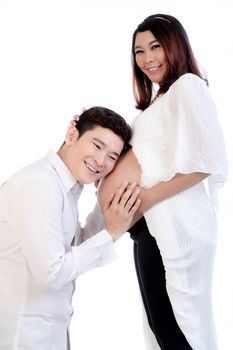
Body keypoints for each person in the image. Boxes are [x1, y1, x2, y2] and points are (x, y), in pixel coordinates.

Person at [97, 14, 228, 350]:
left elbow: (206, 162)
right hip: (146, 228)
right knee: (161, 329)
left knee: (177, 330)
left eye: (156, 47)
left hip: (170, 225)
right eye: (139, 51)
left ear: (176, 45)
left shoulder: (187, 86)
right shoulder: (160, 99)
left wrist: (149, 197)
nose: (147, 58)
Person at [0, 106, 141, 350]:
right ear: (71, 135)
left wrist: (107, 204)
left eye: (112, 157)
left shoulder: (65, 187)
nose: (101, 161)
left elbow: (75, 247)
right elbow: (52, 274)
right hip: (22, 337)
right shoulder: (40, 185)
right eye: (97, 146)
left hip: (49, 333)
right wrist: (111, 233)